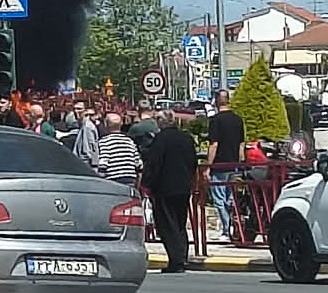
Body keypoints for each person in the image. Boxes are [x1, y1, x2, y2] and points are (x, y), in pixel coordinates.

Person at [142, 110, 198, 273]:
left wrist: (147, 183)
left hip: (164, 188)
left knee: (168, 224)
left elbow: (154, 164)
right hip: (183, 186)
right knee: (180, 223)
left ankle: (176, 259)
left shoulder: (160, 140)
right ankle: (182, 256)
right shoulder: (186, 138)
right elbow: (193, 161)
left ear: (162, 122)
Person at [206, 89, 245, 241]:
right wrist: (241, 163)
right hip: (234, 164)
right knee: (231, 199)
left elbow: (214, 144)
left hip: (220, 165)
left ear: (217, 101)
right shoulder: (238, 119)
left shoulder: (215, 120)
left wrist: (208, 166)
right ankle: (234, 229)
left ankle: (226, 230)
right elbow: (242, 143)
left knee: (219, 199)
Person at [97, 113, 141, 185]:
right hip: (130, 178)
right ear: (121, 124)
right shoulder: (129, 141)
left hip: (113, 179)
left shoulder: (104, 141)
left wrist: (99, 179)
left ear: (106, 125)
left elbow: (103, 162)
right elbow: (138, 163)